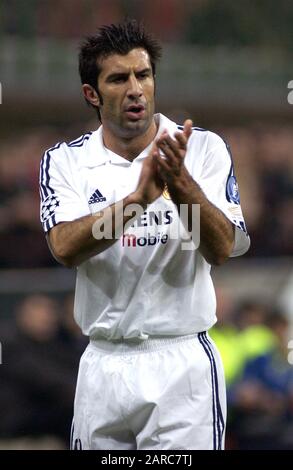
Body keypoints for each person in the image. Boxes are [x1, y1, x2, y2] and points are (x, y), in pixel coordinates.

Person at [39, 19, 250, 450]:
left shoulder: (203, 148)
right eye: (118, 78)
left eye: (144, 74)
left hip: (181, 364)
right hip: (103, 363)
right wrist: (137, 201)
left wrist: (180, 184)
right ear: (91, 95)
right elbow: (64, 247)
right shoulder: (65, 162)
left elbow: (222, 247)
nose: (136, 88)